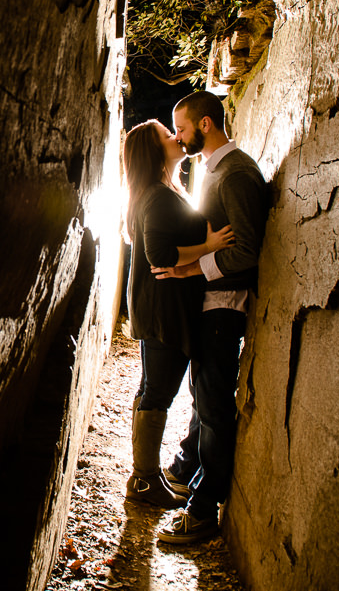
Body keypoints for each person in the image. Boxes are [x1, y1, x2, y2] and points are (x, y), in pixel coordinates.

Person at [152, 91, 268, 545]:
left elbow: (246, 250)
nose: (178, 138)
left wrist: (189, 267)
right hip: (210, 303)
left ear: (204, 123)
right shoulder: (214, 168)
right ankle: (189, 477)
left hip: (226, 305)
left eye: (180, 128)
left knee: (215, 408)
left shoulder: (237, 173)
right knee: (203, 400)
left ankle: (202, 513)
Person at [122, 119, 234, 508]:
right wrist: (210, 245)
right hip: (163, 310)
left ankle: (145, 478)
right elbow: (161, 257)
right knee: (158, 392)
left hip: (160, 307)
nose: (176, 137)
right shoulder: (157, 196)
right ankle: (143, 481)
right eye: (167, 136)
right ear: (154, 152)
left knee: (152, 388)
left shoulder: (160, 191)